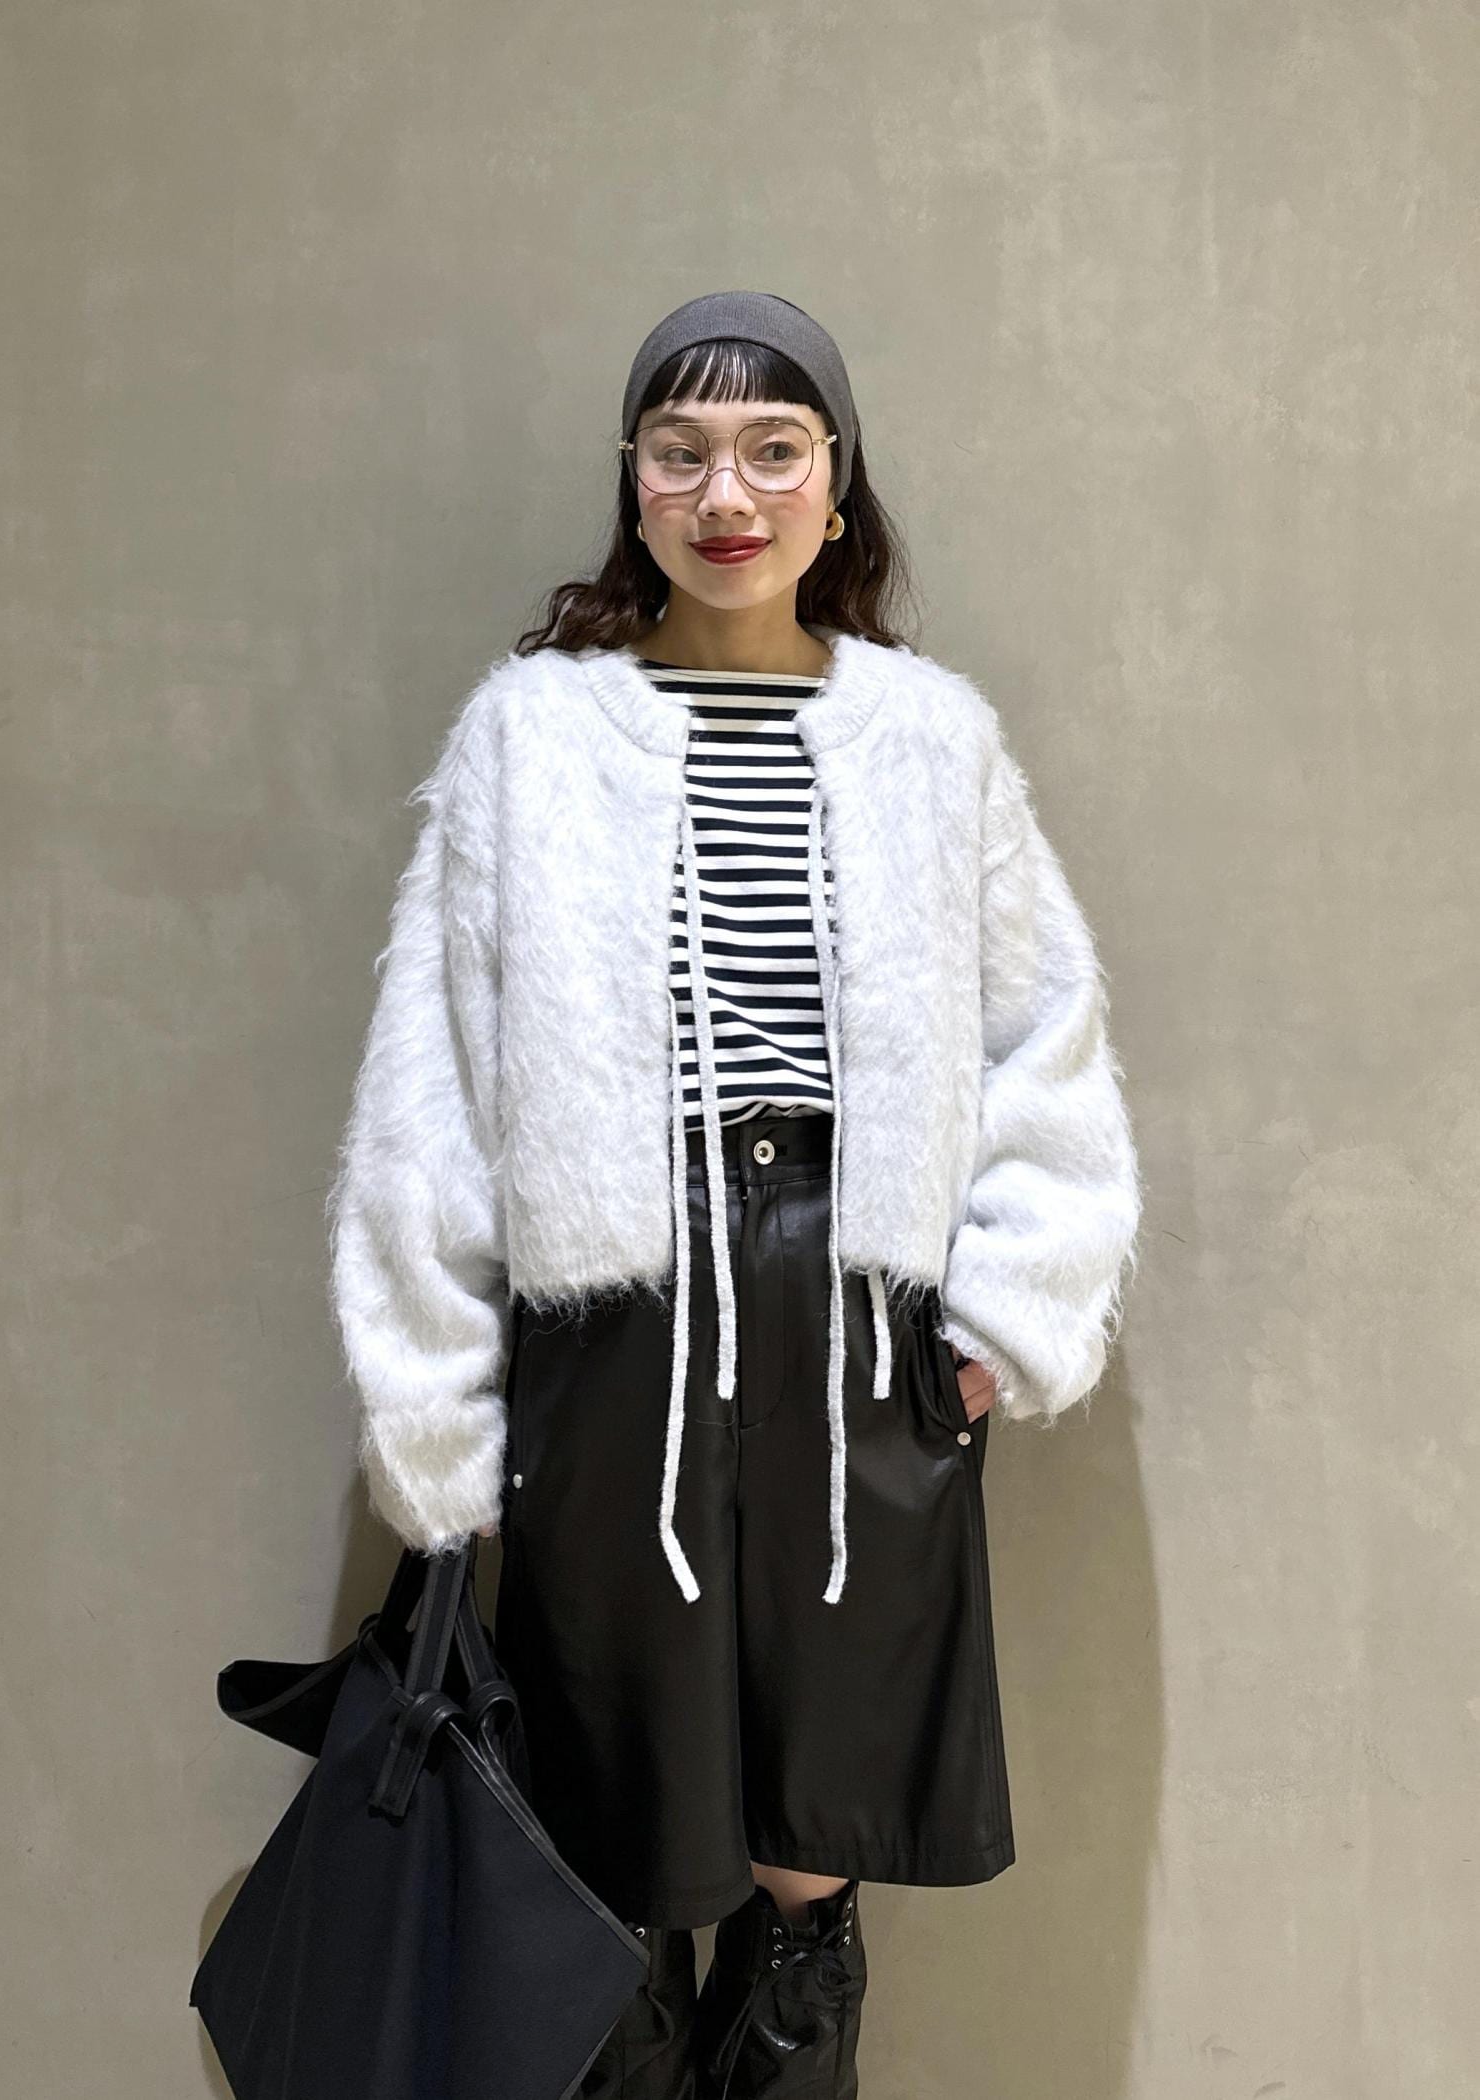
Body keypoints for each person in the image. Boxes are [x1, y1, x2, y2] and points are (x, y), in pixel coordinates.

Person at [327, 290, 1142, 2098]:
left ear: (837, 488)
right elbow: (432, 1088)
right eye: (681, 451)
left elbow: (1046, 1036)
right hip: (615, 1324)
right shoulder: (534, 735)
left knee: (807, 1847)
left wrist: (1004, 1320)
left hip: (857, 1331)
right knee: (607, 1836)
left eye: (775, 451)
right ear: (633, 483)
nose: (728, 494)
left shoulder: (931, 738)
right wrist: (441, 1406)